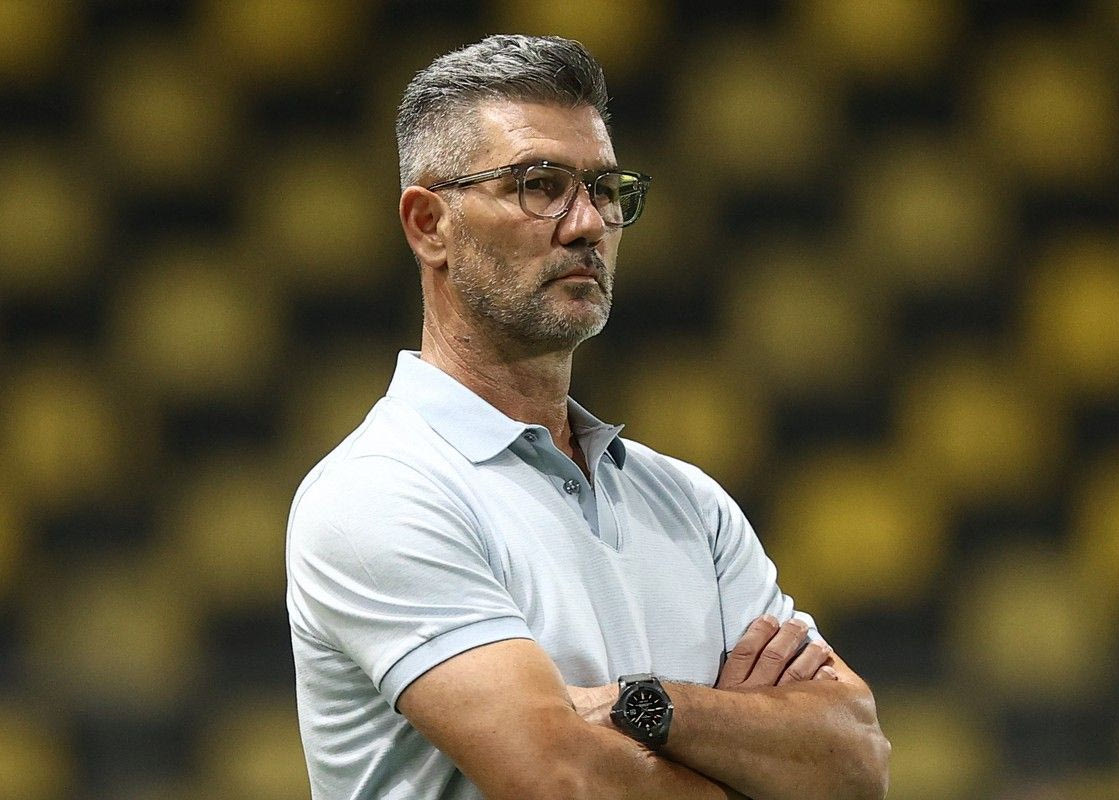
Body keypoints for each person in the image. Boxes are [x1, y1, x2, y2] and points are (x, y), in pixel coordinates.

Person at [286, 33, 889, 800]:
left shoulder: (691, 506)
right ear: (429, 224)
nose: (587, 225)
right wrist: (747, 756)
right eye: (540, 185)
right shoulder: (381, 491)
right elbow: (562, 779)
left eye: (605, 189)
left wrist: (643, 705)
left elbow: (857, 762)